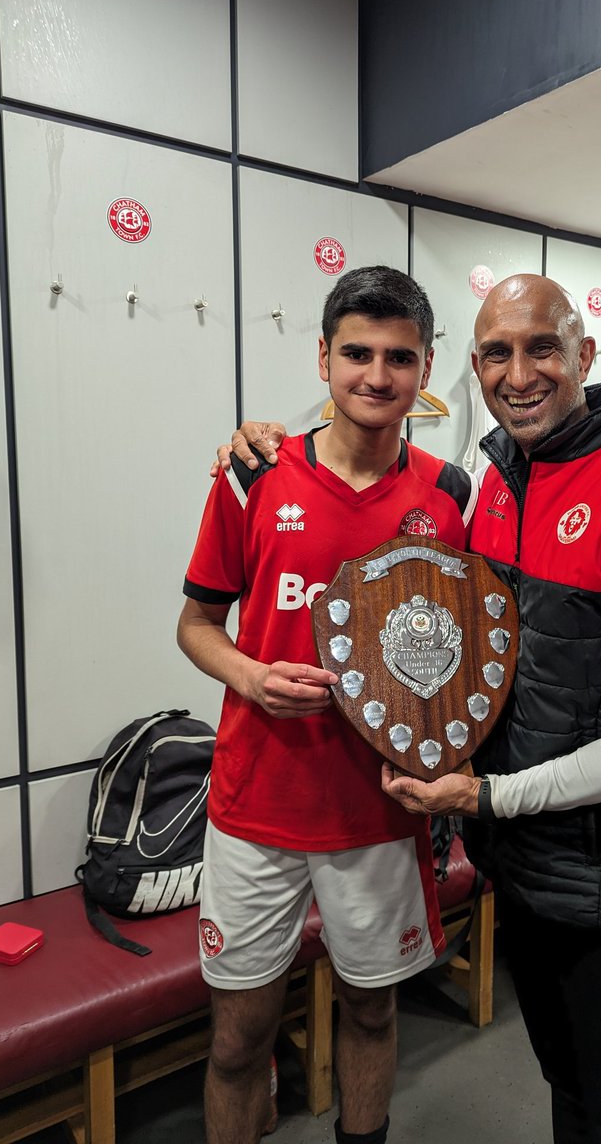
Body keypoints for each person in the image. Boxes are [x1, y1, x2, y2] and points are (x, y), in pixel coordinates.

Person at [225, 273, 601, 1144]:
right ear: (471, 368)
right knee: (572, 1097)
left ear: (585, 354)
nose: (520, 373)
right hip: (534, 872)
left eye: (543, 347)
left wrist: (486, 798)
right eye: (498, 353)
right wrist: (256, 439)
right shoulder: (498, 480)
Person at [178, 266, 477, 1144]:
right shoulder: (252, 474)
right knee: (237, 1042)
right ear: (322, 357)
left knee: (375, 1017)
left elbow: (475, 651)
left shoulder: (451, 496)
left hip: (382, 810)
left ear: (426, 369)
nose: (375, 376)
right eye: (356, 353)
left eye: (399, 357)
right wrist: (250, 676)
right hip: (256, 806)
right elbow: (196, 624)